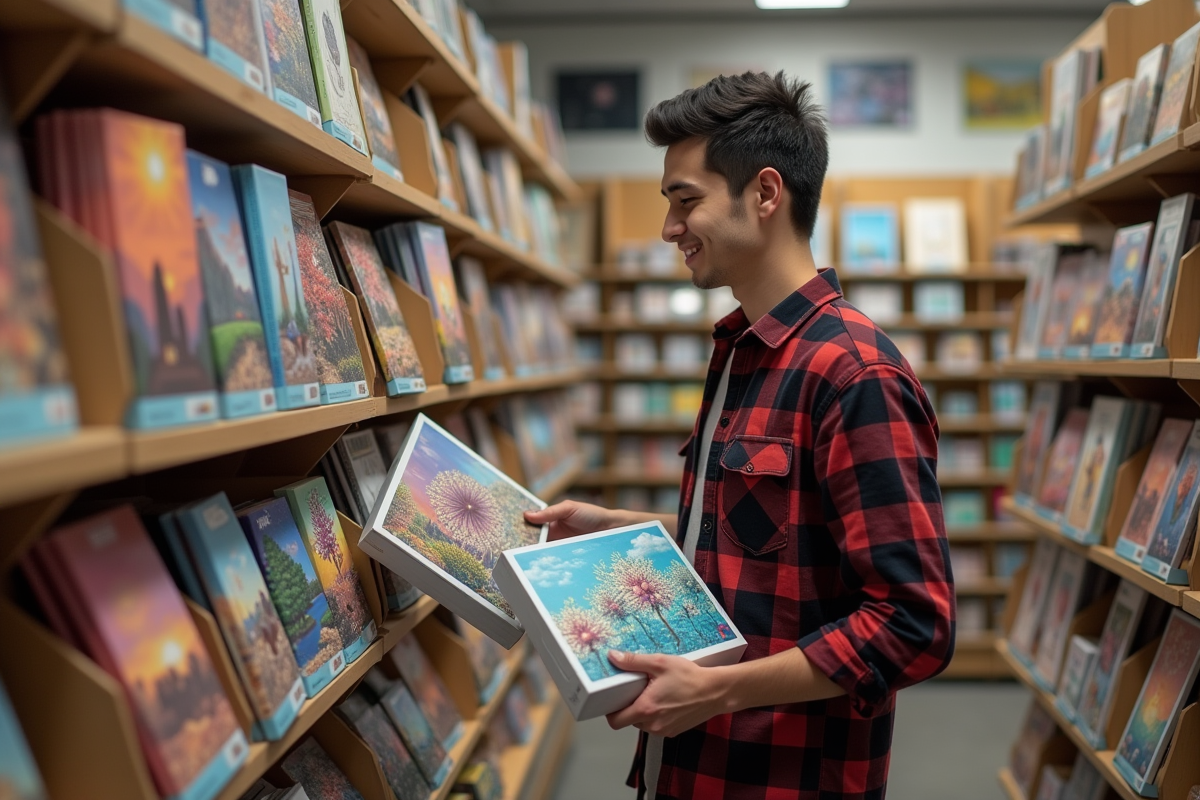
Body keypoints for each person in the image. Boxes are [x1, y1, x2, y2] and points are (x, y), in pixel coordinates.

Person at [525, 71, 955, 800]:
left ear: (764, 193)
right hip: (694, 766)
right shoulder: (742, 350)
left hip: (783, 777)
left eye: (685, 200)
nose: (669, 228)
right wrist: (621, 528)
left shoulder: (854, 374)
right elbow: (770, 541)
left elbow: (914, 623)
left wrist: (720, 690)